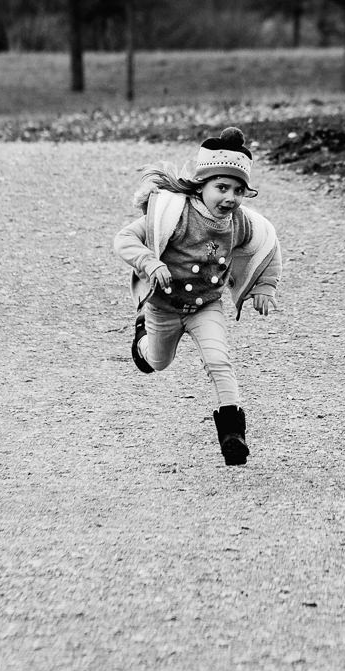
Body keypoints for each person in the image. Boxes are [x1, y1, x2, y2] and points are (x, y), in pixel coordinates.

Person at [112, 127, 284, 466]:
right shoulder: (173, 214)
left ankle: (232, 436)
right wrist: (149, 262)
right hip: (164, 307)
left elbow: (268, 245)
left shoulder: (240, 222)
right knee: (158, 363)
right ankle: (142, 335)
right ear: (201, 185)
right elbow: (124, 238)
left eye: (238, 190)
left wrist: (265, 286)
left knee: (219, 361)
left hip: (207, 307)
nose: (230, 198)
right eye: (221, 187)